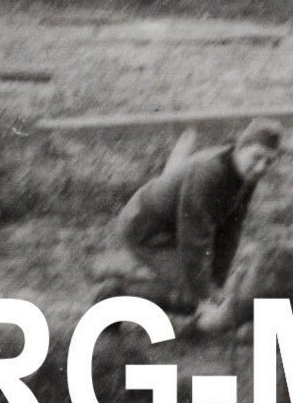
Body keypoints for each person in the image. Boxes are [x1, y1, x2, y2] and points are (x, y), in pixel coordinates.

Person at [94, 120, 281, 326]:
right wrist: (205, 296)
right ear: (240, 147)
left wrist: (216, 285)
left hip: (174, 229)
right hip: (145, 229)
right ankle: (114, 296)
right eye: (257, 157)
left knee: (206, 292)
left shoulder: (246, 175)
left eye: (269, 162)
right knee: (192, 298)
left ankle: (159, 288)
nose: (261, 167)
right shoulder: (209, 173)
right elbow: (195, 240)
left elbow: (231, 231)